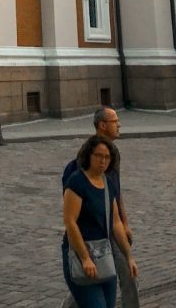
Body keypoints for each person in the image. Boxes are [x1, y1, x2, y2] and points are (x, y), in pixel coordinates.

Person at [61, 107, 139, 308]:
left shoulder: (113, 157)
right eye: (115, 121)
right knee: (102, 280)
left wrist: (125, 223)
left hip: (108, 232)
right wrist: (85, 257)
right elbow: (71, 220)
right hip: (88, 238)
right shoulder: (79, 173)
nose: (104, 161)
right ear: (102, 125)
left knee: (117, 277)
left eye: (107, 159)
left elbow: (115, 193)